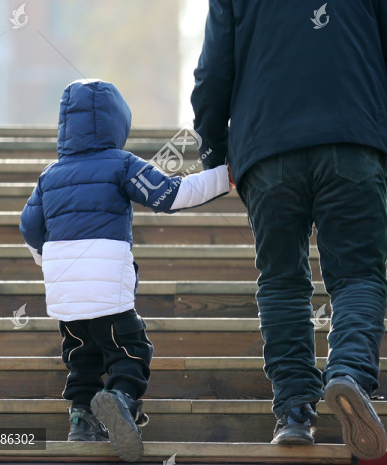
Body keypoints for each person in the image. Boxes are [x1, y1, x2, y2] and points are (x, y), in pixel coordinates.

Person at [189, 0, 387, 461]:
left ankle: (293, 411)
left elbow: (211, 78)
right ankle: (348, 373)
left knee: (281, 280)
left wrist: (215, 155)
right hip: (352, 146)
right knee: (357, 276)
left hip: (266, 156)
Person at [19, 79, 230, 462]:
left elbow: (30, 228)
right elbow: (170, 195)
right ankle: (121, 398)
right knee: (129, 347)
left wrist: (44, 259)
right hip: (106, 283)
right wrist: (222, 177)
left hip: (64, 289)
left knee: (81, 355)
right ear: (119, 124)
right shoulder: (121, 163)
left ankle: (81, 419)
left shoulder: (49, 175)